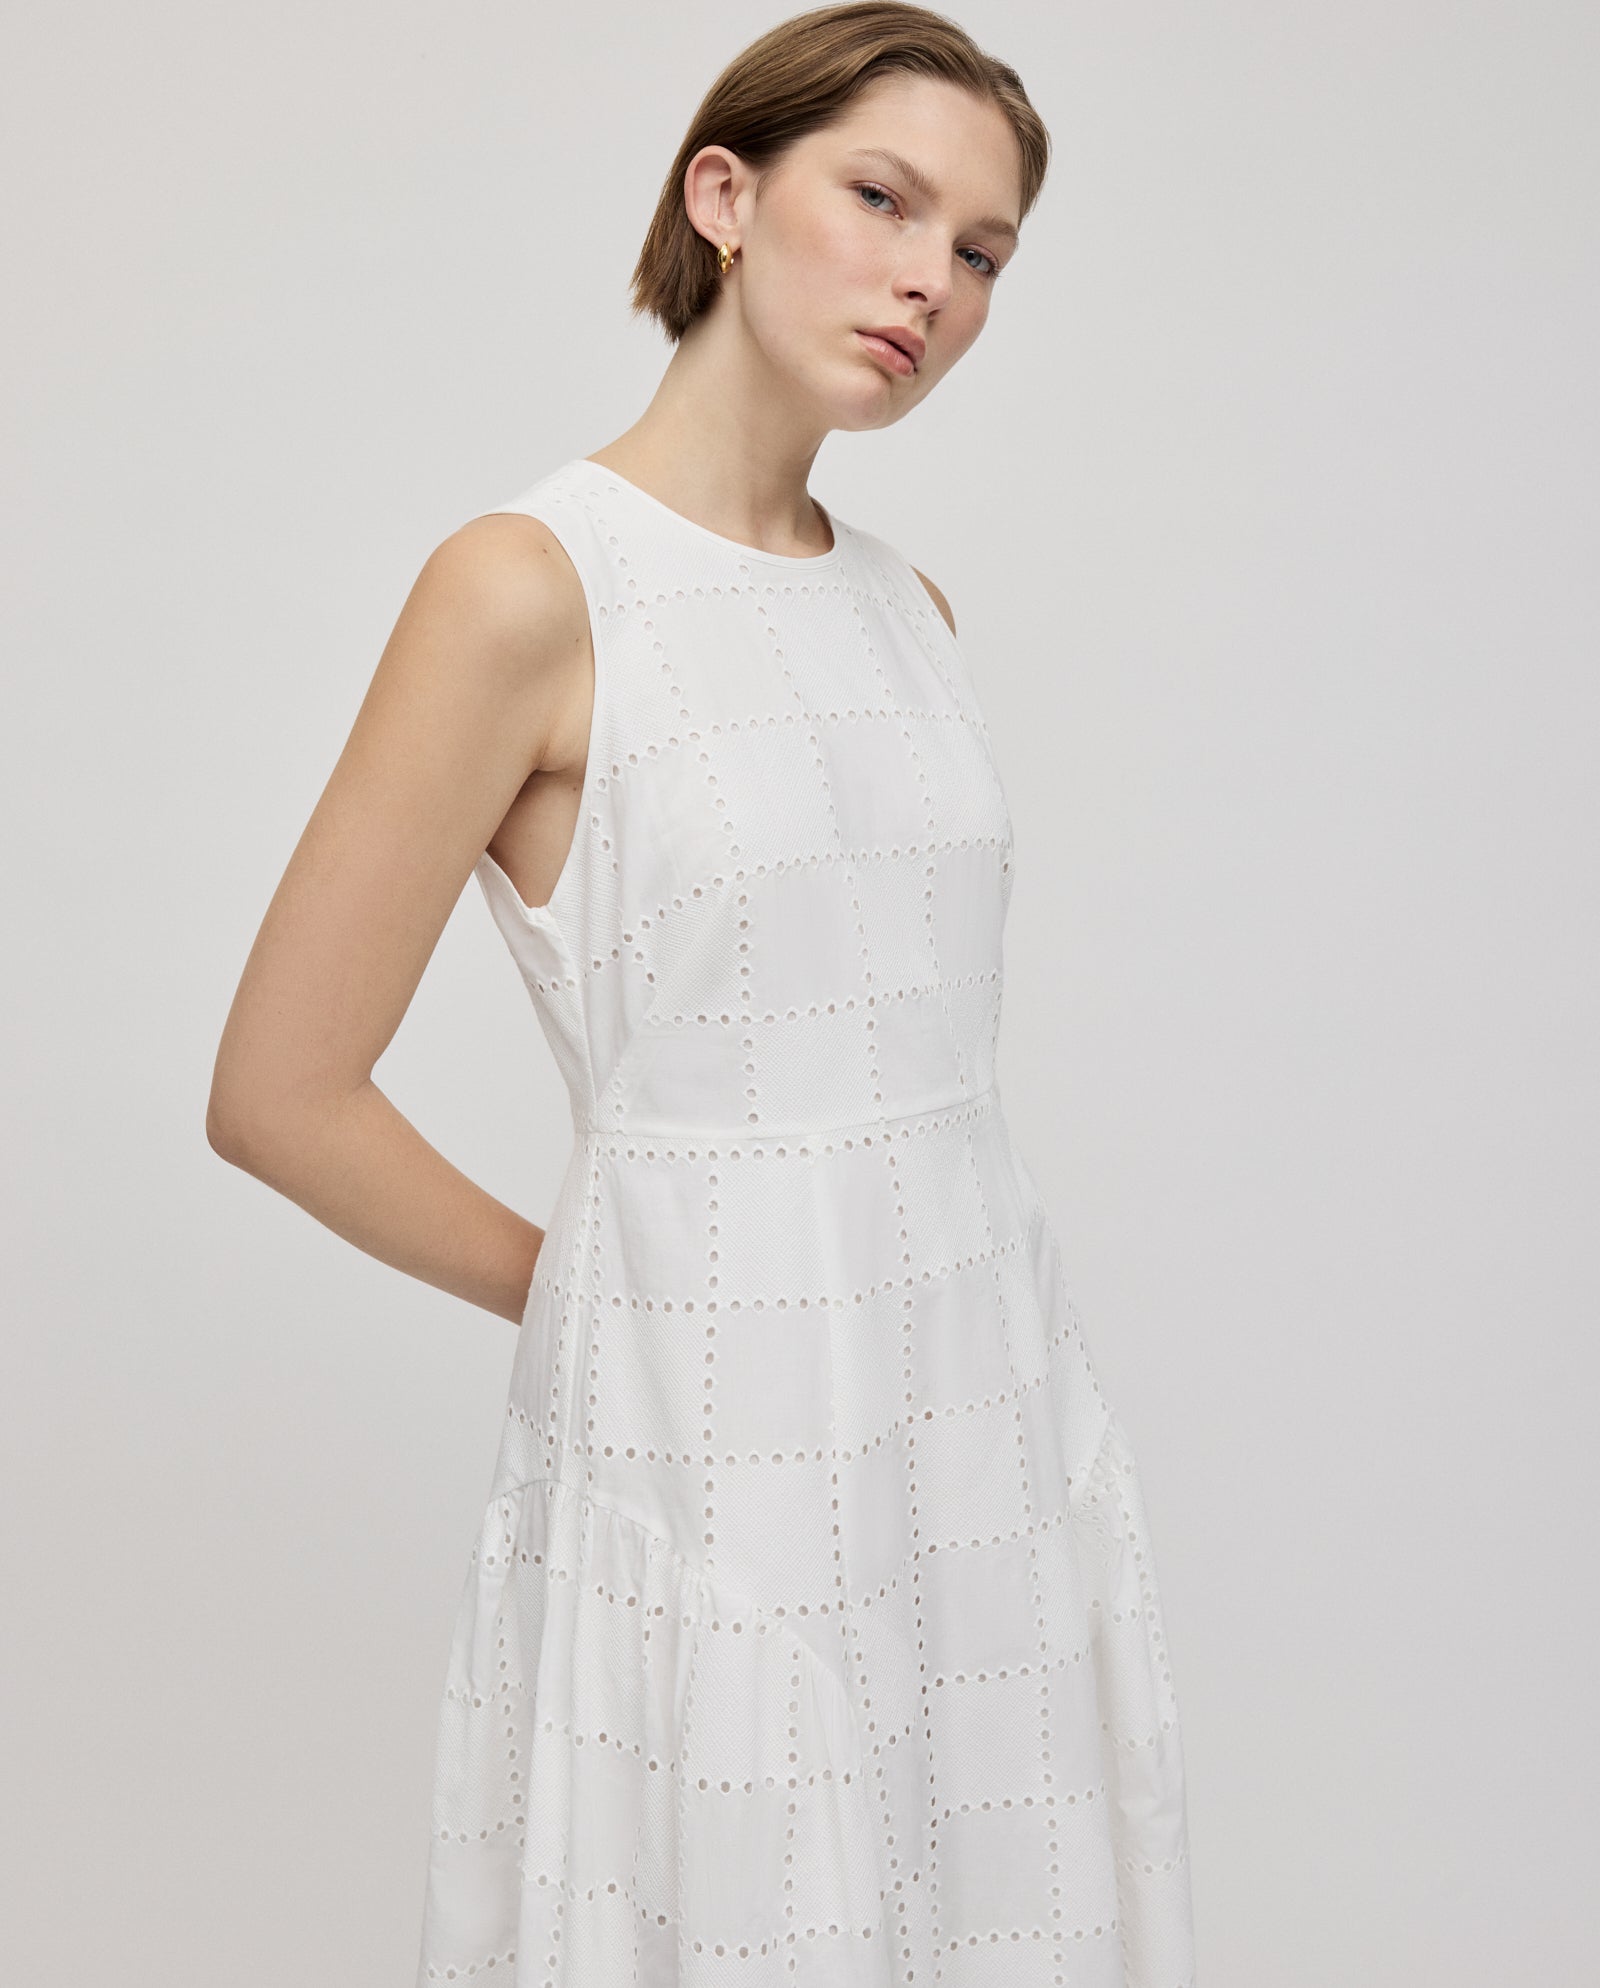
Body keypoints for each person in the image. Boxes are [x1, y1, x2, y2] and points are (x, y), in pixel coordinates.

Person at [206, 5, 1198, 1982]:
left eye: (983, 250)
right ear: (723, 194)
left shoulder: (906, 610)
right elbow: (278, 1089)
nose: (930, 276)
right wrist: (597, 1291)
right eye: (883, 197)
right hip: (711, 1428)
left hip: (974, 1402)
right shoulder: (525, 586)